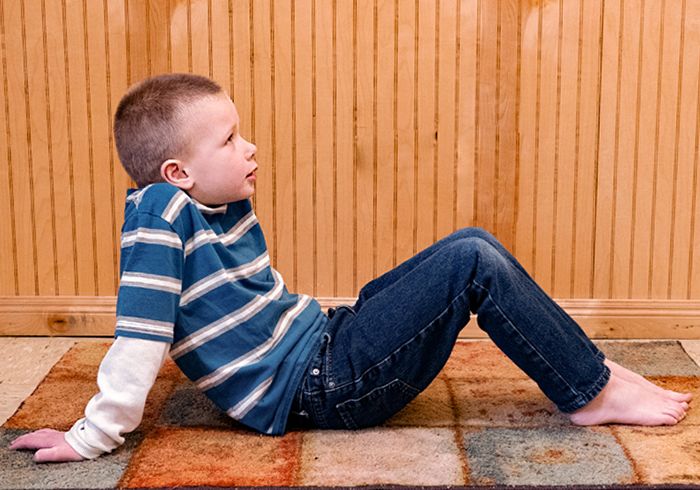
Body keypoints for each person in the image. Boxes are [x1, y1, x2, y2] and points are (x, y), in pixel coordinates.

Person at [10, 73, 692, 463]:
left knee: (468, 241)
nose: (249, 148)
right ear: (177, 172)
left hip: (324, 343)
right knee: (471, 260)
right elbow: (139, 337)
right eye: (229, 139)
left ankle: (585, 373)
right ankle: (590, 393)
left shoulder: (205, 204)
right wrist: (90, 435)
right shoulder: (160, 214)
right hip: (322, 388)